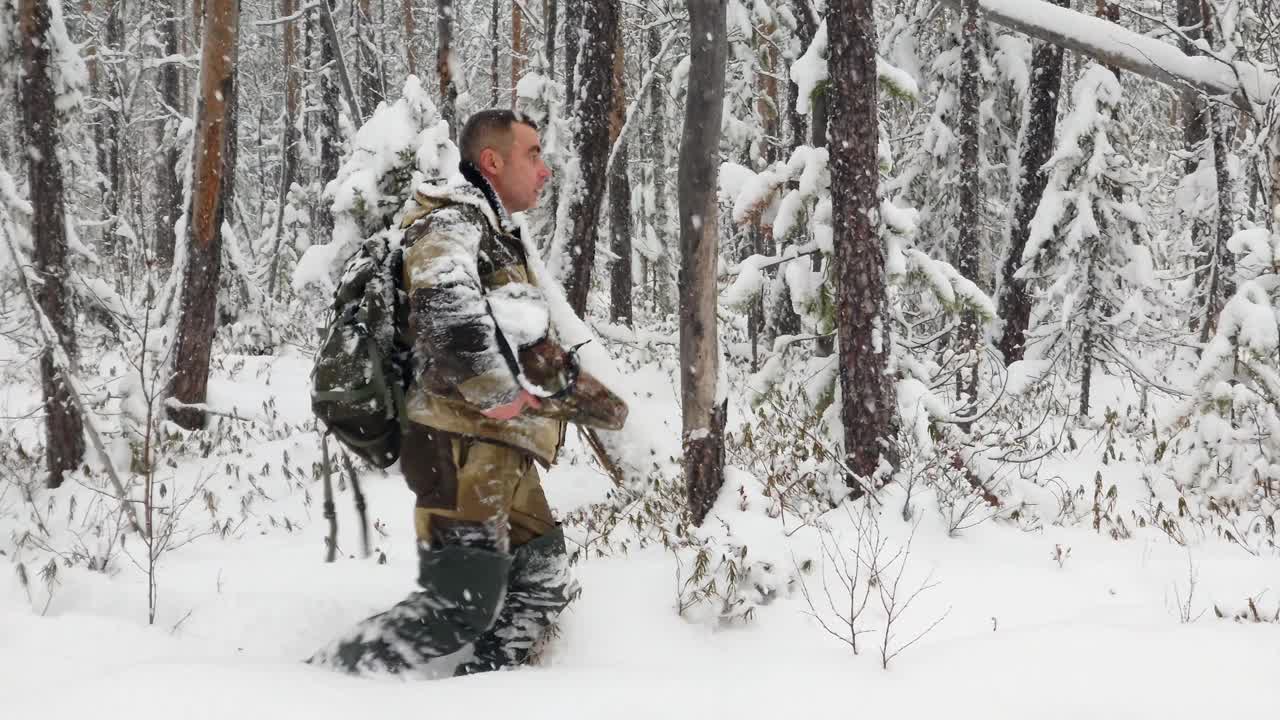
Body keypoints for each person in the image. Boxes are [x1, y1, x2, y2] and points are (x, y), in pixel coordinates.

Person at [310, 110, 577, 677]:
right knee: (457, 606)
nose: (545, 170)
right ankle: (323, 683)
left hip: (495, 445)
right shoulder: (453, 222)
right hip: (458, 446)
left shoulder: (491, 228)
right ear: (492, 161)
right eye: (533, 154)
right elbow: (445, 308)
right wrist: (501, 397)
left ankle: (490, 692)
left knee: (542, 575)